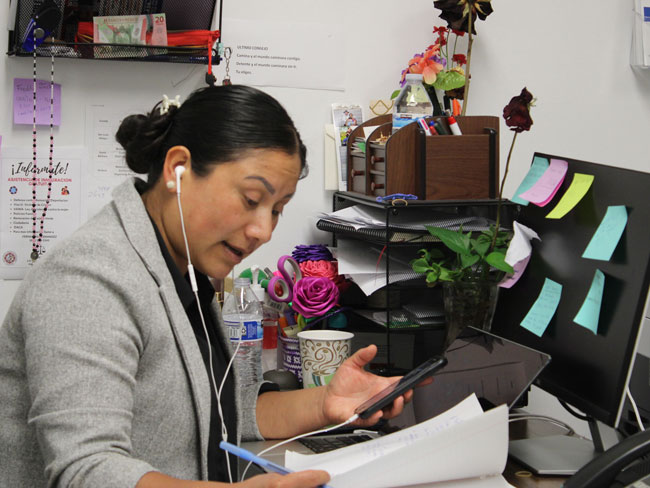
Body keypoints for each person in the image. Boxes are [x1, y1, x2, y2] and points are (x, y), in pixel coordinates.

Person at [0, 85, 412, 488]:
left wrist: (327, 403)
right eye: (252, 199)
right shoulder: (88, 279)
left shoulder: (183, 269)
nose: (263, 231)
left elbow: (219, 413)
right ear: (177, 169)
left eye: (277, 210)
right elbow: (87, 471)